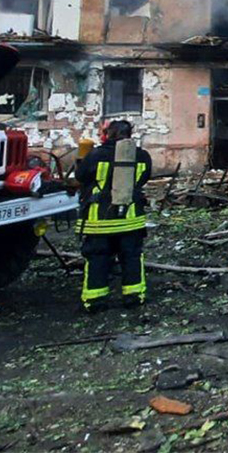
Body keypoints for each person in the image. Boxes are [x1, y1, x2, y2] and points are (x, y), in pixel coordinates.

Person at [75, 119, 153, 312]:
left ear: (107, 134)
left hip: (100, 220)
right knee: (132, 257)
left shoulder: (95, 155)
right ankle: (134, 297)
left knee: (98, 258)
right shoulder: (142, 156)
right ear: (130, 134)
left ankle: (95, 301)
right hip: (131, 219)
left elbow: (81, 177)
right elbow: (143, 180)